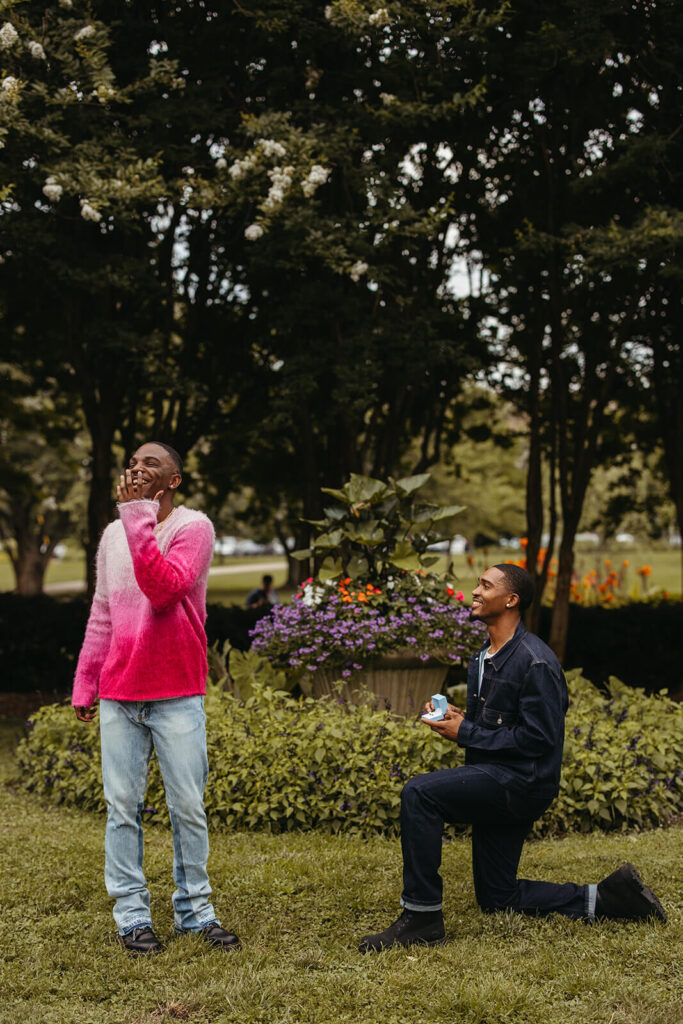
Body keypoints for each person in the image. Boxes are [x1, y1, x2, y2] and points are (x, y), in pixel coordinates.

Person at [359, 564, 666, 952]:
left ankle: (422, 917)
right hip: (494, 776)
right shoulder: (482, 659)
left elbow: (540, 739)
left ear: (511, 600)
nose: (475, 591)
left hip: (522, 783)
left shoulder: (536, 662)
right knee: (497, 896)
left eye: (485, 585)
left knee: (419, 793)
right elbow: (503, 726)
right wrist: (460, 719)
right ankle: (607, 898)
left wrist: (466, 732)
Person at [72, 441, 241, 957]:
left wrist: (137, 517)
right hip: (120, 693)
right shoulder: (111, 536)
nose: (138, 467)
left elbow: (163, 588)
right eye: (134, 461)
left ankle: (195, 912)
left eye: (153, 464)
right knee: (122, 807)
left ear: (174, 481)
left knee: (187, 807)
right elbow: (104, 611)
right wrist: (86, 679)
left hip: (176, 691)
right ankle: (131, 916)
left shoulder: (194, 528)